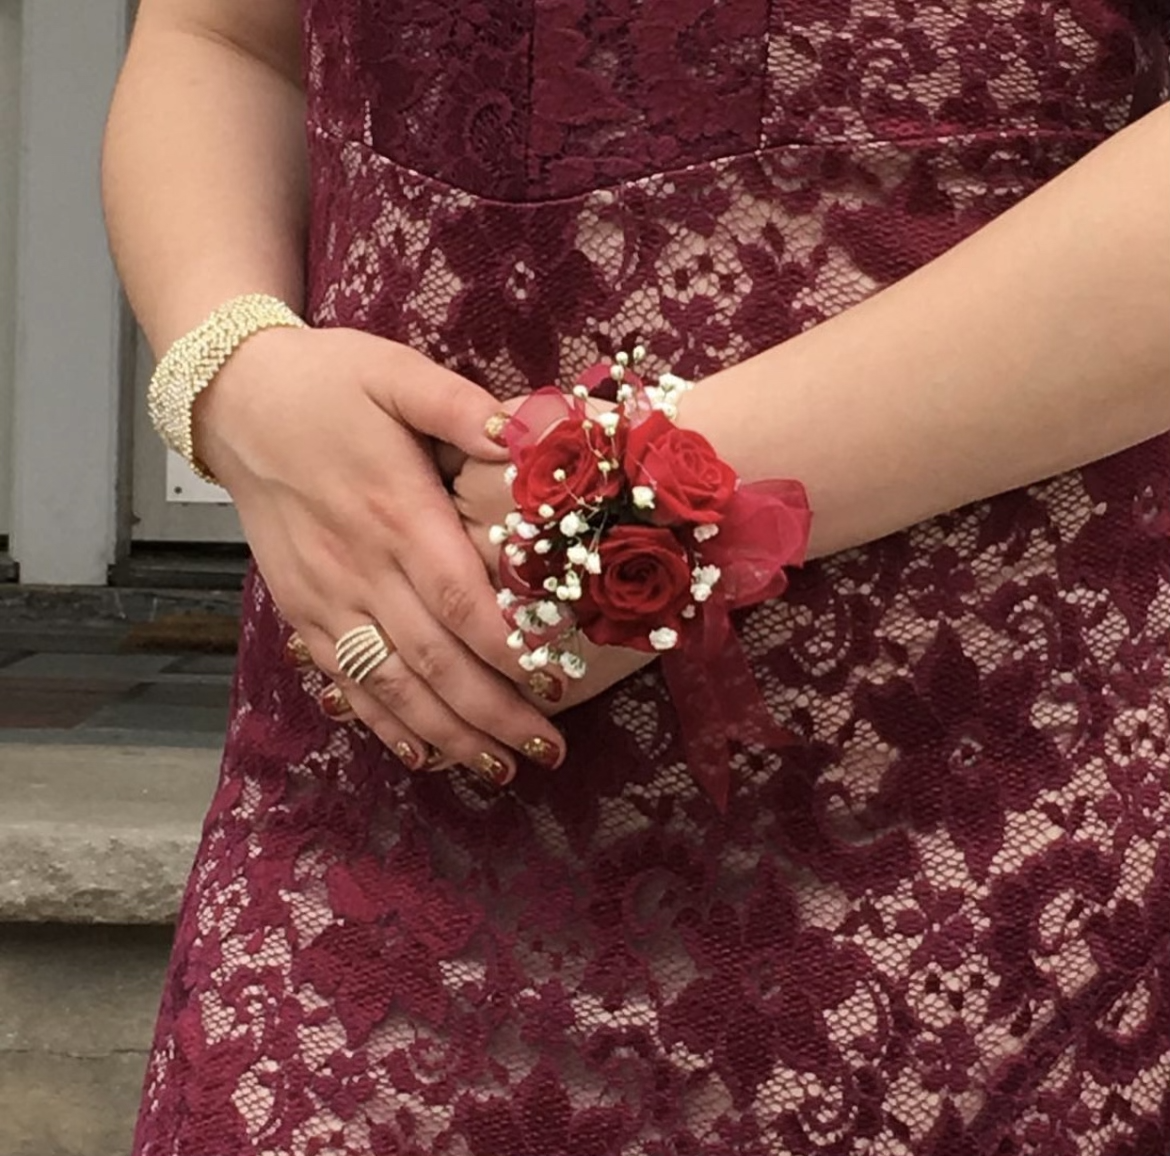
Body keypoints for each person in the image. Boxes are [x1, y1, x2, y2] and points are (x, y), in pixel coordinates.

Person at [103, 0, 1170, 1152]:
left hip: (1014, 808)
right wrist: (232, 370)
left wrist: (649, 501)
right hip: (383, 808)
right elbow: (218, 43)